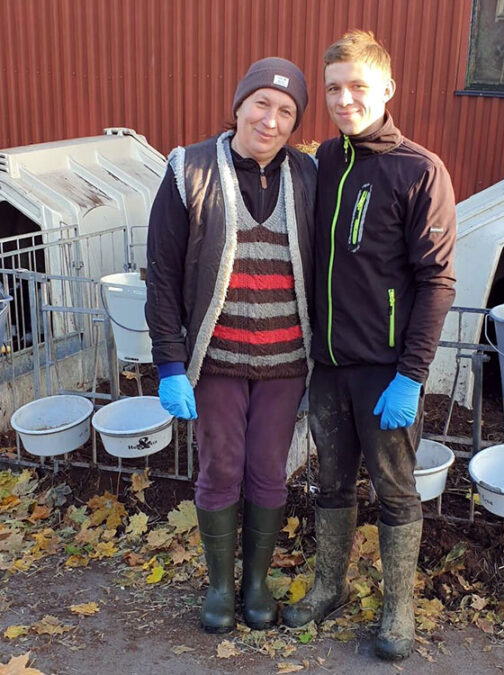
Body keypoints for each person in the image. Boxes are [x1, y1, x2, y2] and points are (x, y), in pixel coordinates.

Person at [280, 30, 456, 662]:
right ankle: (329, 585)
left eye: (358, 86)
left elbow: (437, 281)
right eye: (333, 88)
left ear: (387, 89)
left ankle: (398, 607)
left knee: (395, 490)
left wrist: (412, 376)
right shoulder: (323, 160)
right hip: (328, 366)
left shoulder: (420, 171)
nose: (345, 98)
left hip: (386, 374)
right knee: (330, 484)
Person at [144, 57, 317, 634]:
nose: (270, 120)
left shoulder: (309, 176)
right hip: (213, 361)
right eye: (261, 104)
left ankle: (257, 583)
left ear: (295, 125)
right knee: (221, 469)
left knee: (269, 471)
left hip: (286, 362)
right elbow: (163, 272)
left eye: (286, 111)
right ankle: (220, 586)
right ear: (240, 104)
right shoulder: (187, 170)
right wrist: (169, 361)